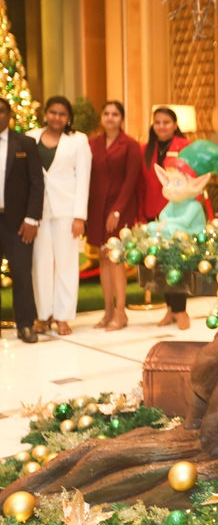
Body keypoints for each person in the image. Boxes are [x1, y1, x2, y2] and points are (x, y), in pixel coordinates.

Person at [26, 97, 92, 336]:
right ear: (45, 113)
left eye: (62, 114)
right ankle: (43, 315)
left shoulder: (78, 140)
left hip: (67, 210)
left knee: (66, 264)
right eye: (53, 112)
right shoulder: (30, 137)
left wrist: (79, 217)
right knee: (40, 264)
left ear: (69, 117)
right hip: (38, 211)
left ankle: (63, 317)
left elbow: (83, 178)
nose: (57, 117)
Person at [88, 101, 142, 331]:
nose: (110, 117)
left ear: (121, 119)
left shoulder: (130, 145)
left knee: (115, 258)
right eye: (106, 113)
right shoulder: (92, 143)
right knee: (103, 258)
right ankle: (108, 310)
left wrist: (117, 210)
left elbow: (131, 180)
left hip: (120, 209)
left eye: (115, 114)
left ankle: (121, 312)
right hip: (96, 209)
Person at [139, 106, 193, 329]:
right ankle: (170, 308)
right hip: (153, 212)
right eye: (157, 122)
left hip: (177, 214)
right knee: (160, 263)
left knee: (177, 262)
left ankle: (181, 310)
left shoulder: (185, 147)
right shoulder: (145, 149)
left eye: (166, 122)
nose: (161, 127)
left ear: (175, 125)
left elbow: (191, 180)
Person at [0, 98, 44, 344]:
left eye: (1, 111)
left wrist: (32, 218)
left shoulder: (25, 143)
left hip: (18, 222)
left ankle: (26, 325)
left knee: (22, 274)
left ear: (9, 115)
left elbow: (37, 183)